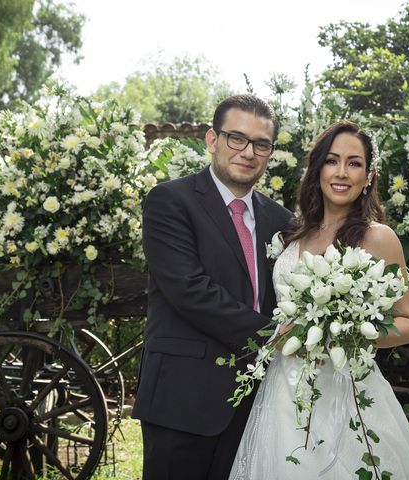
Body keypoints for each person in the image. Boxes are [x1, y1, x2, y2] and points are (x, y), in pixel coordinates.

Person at [229, 120, 409, 479]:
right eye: (332, 160)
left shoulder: (379, 238)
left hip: (349, 391)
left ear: (369, 175)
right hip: (284, 394)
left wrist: (341, 334)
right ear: (317, 168)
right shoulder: (291, 235)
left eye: (354, 163)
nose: (341, 173)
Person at [133, 94, 294, 480]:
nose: (248, 152)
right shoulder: (170, 201)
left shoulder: (282, 220)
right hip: (183, 398)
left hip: (260, 401)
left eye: (261, 144)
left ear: (270, 151)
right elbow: (190, 290)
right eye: (236, 138)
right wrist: (275, 334)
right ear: (211, 140)